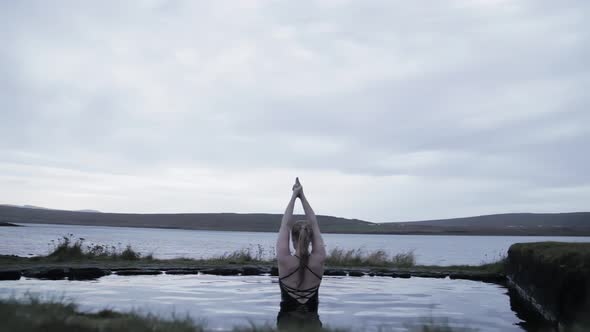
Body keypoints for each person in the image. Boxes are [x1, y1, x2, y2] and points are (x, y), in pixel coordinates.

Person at [276, 177, 326, 330]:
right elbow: (314, 223)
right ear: (311, 239)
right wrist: (302, 196)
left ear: (292, 239)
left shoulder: (284, 260)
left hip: (286, 322)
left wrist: (294, 195)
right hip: (313, 322)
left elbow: (285, 224)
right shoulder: (319, 259)